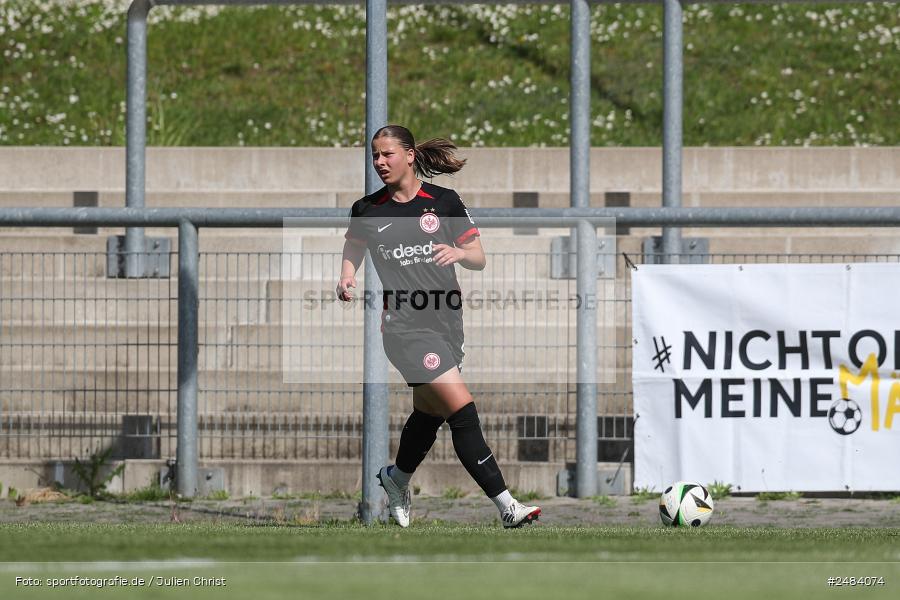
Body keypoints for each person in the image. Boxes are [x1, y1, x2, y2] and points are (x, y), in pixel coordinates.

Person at [336, 125, 541, 529]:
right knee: (461, 407)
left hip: (448, 323)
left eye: (387, 154)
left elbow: (479, 257)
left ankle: (396, 479)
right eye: (375, 155)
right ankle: (507, 506)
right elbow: (354, 244)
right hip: (404, 328)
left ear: (410, 155)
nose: (379, 162)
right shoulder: (368, 209)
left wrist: (459, 253)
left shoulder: (443, 201)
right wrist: (346, 275)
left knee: (429, 413)